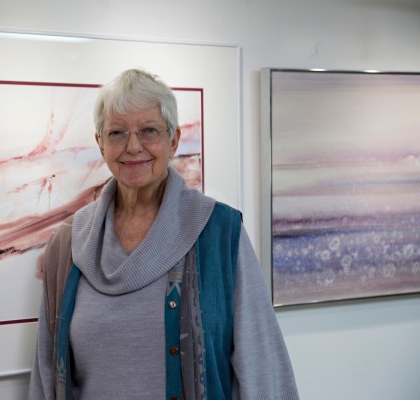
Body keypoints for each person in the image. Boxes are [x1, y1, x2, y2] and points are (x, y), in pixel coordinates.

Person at [28, 69, 299, 400]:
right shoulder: (68, 243)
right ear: (100, 143)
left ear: (173, 140)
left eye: (149, 131)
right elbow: (46, 373)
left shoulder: (219, 232)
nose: (133, 146)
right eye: (117, 133)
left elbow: (261, 365)